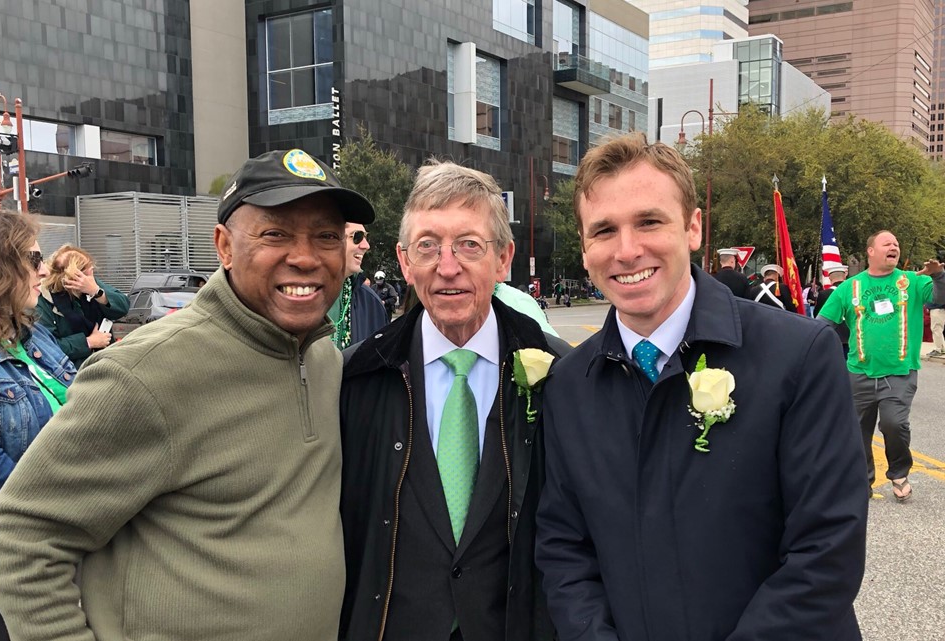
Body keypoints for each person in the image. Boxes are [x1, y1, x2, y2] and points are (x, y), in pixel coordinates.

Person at [0, 148, 376, 641]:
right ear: (224, 246)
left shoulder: (324, 361)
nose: (304, 256)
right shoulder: (145, 374)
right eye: (275, 233)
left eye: (325, 236)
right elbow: (22, 535)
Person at [535, 133, 867, 641]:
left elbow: (827, 550)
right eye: (603, 230)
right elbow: (564, 549)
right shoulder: (567, 385)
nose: (627, 250)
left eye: (649, 221)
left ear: (693, 228)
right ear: (585, 249)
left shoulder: (799, 355)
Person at [339, 160, 569, 641]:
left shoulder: (562, 376)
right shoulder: (354, 378)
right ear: (405, 262)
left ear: (503, 259)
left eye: (469, 245)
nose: (448, 267)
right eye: (428, 246)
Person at [0, 208, 77, 641]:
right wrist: (79, 507)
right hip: (15, 548)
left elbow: (79, 404)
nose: (44, 270)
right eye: (34, 259)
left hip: (63, 531)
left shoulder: (31, 331)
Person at [817, 230, 945, 502]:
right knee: (857, 431)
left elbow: (939, 299)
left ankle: (899, 472)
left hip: (899, 372)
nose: (894, 246)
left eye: (896, 243)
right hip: (858, 373)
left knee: (894, 423)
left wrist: (938, 276)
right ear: (871, 252)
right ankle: (862, 481)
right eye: (887, 243)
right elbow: (823, 323)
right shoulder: (849, 287)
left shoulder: (911, 281)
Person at [36, 245, 130, 368]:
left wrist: (97, 292)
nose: (92, 274)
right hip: (71, 372)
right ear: (73, 277)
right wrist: (88, 342)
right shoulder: (43, 300)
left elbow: (123, 307)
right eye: (88, 272)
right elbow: (45, 347)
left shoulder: (90, 285)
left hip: (104, 364)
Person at [330, 223, 389, 349]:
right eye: (357, 236)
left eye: (366, 237)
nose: (366, 246)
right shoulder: (291, 296)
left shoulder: (373, 305)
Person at [814, 264, 850, 357]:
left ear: (830, 278)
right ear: (845, 275)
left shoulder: (823, 294)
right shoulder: (854, 290)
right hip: (853, 333)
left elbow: (817, 314)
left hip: (834, 333)